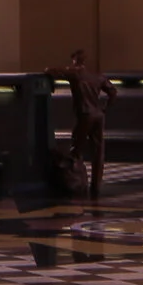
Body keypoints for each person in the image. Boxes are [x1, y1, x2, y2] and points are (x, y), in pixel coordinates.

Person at [46, 48, 115, 200]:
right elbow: (113, 92)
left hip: (85, 114)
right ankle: (96, 186)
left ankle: (76, 182)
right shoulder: (98, 76)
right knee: (98, 151)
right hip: (98, 115)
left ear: (76, 60)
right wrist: (105, 108)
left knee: (77, 148)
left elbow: (51, 71)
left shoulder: (75, 72)